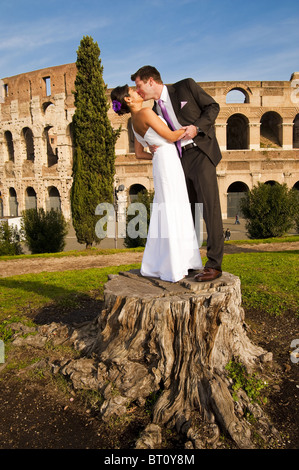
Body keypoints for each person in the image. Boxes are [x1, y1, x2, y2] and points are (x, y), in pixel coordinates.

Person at [131, 66, 224, 282]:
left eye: (139, 86)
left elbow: (213, 106)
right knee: (186, 212)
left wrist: (197, 128)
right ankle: (188, 260)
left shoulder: (185, 87)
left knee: (209, 208)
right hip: (178, 160)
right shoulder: (152, 112)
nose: (138, 91)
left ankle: (214, 265)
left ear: (151, 81)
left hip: (200, 153)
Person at [110, 85, 202, 282]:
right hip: (167, 160)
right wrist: (192, 128)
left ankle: (170, 262)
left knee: (167, 207)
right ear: (128, 99)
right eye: (133, 90)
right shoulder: (144, 112)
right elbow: (170, 136)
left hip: (161, 160)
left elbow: (138, 154)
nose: (137, 91)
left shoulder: (134, 122)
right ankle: (179, 263)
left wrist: (155, 152)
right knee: (175, 207)